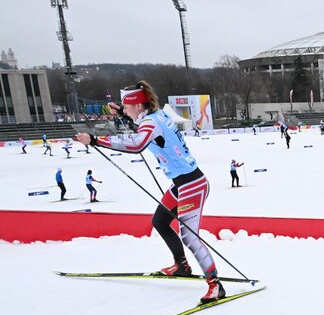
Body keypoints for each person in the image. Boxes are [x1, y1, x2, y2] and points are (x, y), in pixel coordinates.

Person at [74, 80, 225, 303]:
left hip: (192, 184)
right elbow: (144, 127)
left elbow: (137, 144)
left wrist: (95, 140)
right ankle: (182, 265)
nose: (124, 110)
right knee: (161, 221)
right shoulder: (156, 116)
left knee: (189, 236)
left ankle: (215, 284)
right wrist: (124, 115)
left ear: (138, 105)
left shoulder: (151, 123)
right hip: (181, 184)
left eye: (126, 106)